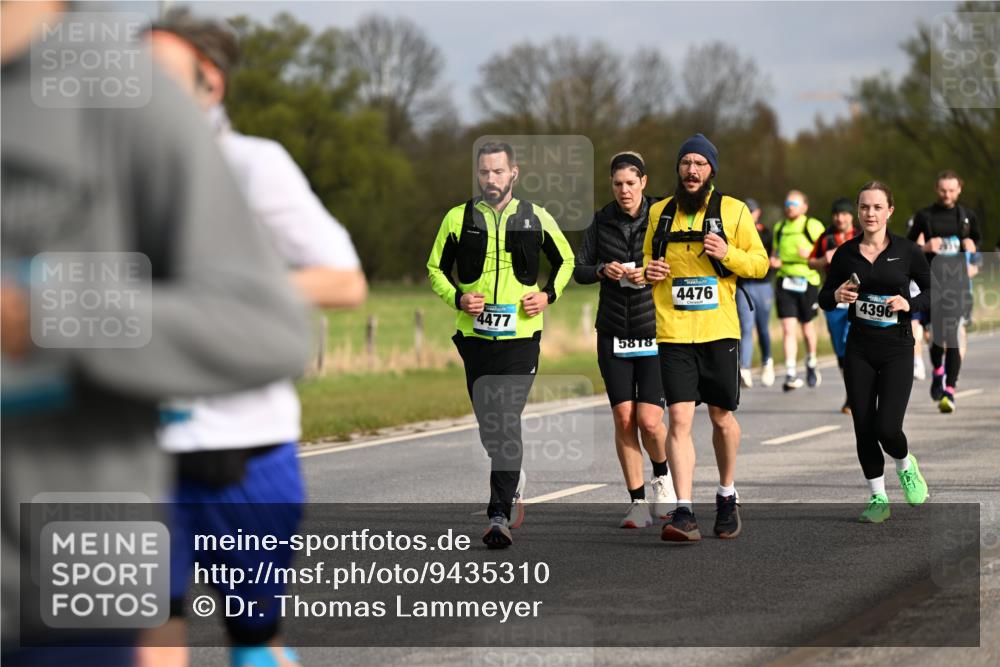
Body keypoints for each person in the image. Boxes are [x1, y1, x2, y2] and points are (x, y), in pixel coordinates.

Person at [1, 3, 310, 665]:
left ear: (209, 83)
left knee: (253, 640)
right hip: (159, 462)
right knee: (162, 625)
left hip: (224, 461)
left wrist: (46, 313)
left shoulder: (232, 153)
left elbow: (287, 310)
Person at [144, 10, 367, 667]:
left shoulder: (253, 165)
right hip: (137, 455)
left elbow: (344, 280)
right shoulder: (109, 176)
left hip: (243, 453)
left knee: (253, 641)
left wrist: (228, 293)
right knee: (144, 635)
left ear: (208, 83)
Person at [427, 142, 574, 549]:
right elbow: (435, 268)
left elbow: (566, 262)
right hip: (474, 339)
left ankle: (498, 515)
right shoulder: (458, 218)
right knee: (491, 429)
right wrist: (458, 298)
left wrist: (548, 296)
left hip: (521, 339)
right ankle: (513, 478)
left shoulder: (535, 217)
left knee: (505, 420)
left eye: (498, 172)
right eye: (484, 172)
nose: (490, 179)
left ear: (514, 173)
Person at [643, 134, 769, 542]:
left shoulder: (732, 211)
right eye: (686, 164)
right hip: (674, 331)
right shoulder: (660, 212)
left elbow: (761, 264)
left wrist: (727, 253)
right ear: (678, 169)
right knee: (678, 418)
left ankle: (727, 494)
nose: (691, 170)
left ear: (711, 169)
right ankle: (683, 511)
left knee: (721, 417)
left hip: (719, 331)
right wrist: (650, 272)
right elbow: (648, 259)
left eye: (699, 163)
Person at [573, 151, 674, 529]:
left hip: (655, 330)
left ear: (644, 183)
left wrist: (657, 271)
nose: (624, 191)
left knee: (649, 420)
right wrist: (602, 269)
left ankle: (662, 476)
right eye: (617, 184)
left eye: (631, 183)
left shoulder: (663, 216)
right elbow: (578, 269)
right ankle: (636, 502)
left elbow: (683, 262)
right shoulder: (601, 220)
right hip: (614, 330)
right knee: (623, 416)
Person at [819, 181, 930, 523]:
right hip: (860, 349)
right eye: (865, 207)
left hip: (897, 347)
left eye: (877, 207)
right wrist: (837, 296)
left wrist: (907, 303)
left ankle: (905, 464)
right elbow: (823, 296)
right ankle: (878, 497)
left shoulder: (908, 251)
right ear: (858, 211)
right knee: (863, 426)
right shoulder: (845, 253)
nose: (870, 213)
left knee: (888, 428)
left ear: (889, 211)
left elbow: (933, 292)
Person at [907, 170, 982, 413]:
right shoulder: (925, 216)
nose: (947, 194)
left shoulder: (967, 217)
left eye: (951, 190)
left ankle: (950, 390)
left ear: (959, 189)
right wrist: (925, 246)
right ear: (936, 189)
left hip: (957, 285)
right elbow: (908, 248)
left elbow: (977, 249)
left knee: (953, 338)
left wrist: (974, 261)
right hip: (932, 284)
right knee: (937, 341)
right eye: (943, 190)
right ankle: (937, 372)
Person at [808, 197, 860, 413]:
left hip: (858, 297)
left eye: (845, 214)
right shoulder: (825, 237)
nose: (840, 218)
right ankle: (851, 392)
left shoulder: (860, 235)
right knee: (841, 349)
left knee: (853, 344)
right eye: (837, 214)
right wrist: (824, 260)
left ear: (851, 216)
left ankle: (860, 393)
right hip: (834, 298)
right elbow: (811, 261)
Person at [771, 191, 827, 391]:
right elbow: (774, 253)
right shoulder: (780, 227)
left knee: (807, 327)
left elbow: (826, 254)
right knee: (787, 328)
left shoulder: (812, 226)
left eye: (794, 203)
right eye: (787, 202)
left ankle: (811, 361)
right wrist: (774, 261)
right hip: (785, 281)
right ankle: (790, 372)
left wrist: (811, 254)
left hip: (807, 281)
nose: (789, 206)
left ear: (804, 207)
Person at [735, 198, 775, 388]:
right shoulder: (735, 231)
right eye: (746, 211)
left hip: (763, 285)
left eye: (752, 211)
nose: (749, 215)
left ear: (757, 212)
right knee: (746, 327)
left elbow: (772, 257)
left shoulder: (766, 233)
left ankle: (767, 361)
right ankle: (745, 369)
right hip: (743, 285)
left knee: (763, 327)